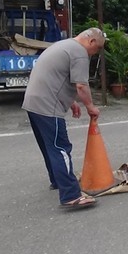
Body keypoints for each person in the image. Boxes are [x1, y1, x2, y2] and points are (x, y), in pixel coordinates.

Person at [22, 27, 106, 209]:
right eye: (97, 49)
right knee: (60, 148)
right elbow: (82, 86)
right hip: (47, 105)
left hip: (33, 102)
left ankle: (57, 180)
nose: (95, 53)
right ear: (91, 42)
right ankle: (71, 195)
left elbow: (55, 78)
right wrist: (90, 106)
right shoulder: (79, 53)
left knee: (49, 147)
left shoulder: (64, 45)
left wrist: (70, 102)